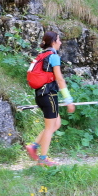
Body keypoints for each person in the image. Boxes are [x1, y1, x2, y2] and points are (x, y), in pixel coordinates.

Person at [25, 31, 75, 166]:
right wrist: (68, 100)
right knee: (49, 128)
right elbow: (60, 79)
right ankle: (43, 159)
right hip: (49, 96)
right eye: (59, 40)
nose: (60, 42)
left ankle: (34, 146)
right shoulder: (53, 56)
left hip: (40, 95)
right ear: (53, 42)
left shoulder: (41, 56)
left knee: (56, 124)